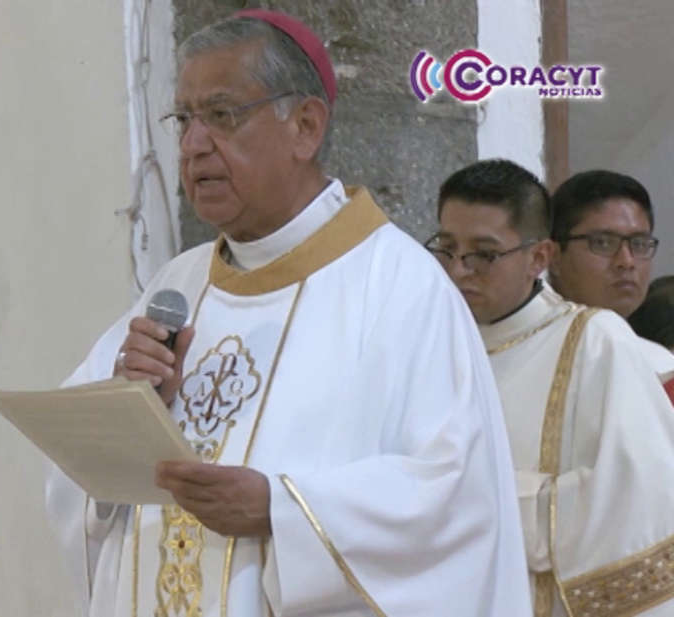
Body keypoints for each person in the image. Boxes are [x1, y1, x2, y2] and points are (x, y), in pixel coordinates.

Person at [45, 11, 530, 617]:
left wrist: (283, 510)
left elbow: (458, 501)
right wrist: (129, 404)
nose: (194, 144)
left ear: (305, 126)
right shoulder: (178, 283)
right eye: (184, 118)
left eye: (222, 115)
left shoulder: (400, 287)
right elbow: (73, 476)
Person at [428, 158, 674, 617]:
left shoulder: (594, 341)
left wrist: (455, 505)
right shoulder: (428, 346)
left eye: (484, 253)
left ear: (539, 257)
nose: (460, 270)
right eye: (447, 248)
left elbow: (634, 500)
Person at [548, 169, 674, 387]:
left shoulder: (662, 368)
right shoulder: (530, 352)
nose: (627, 261)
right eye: (603, 242)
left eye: (639, 244)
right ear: (554, 256)